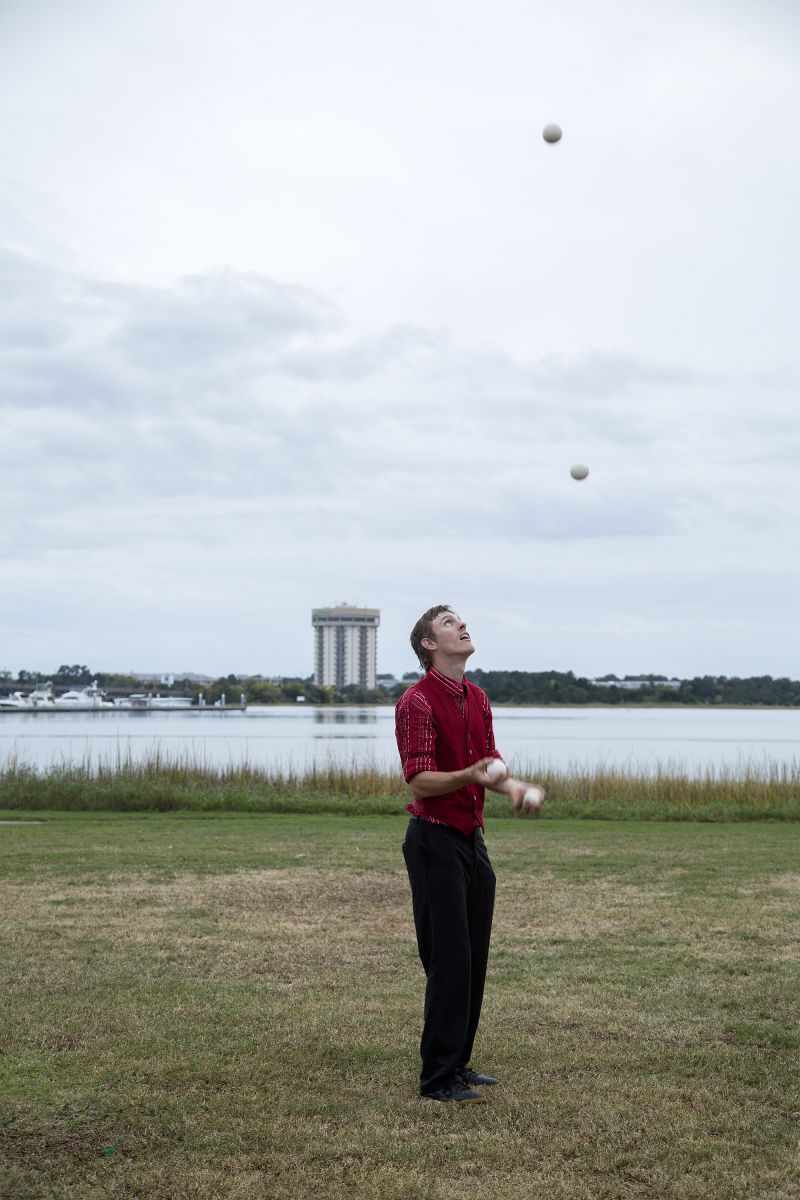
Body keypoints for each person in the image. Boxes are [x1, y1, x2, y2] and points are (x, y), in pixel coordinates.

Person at [395, 604, 545, 1104]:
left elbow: (490, 764)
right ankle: (437, 1079)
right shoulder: (415, 703)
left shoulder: (477, 698)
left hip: (471, 841)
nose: (462, 625)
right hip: (432, 840)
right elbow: (418, 778)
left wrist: (515, 788)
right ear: (428, 645)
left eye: (460, 620)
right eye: (447, 623)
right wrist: (467, 776)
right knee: (449, 960)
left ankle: (459, 1062)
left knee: (474, 957)